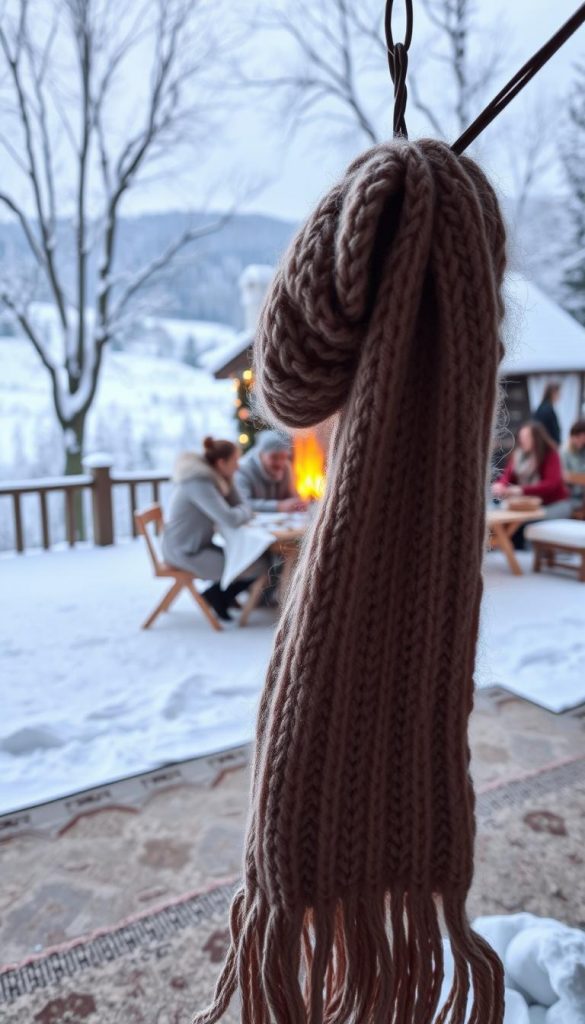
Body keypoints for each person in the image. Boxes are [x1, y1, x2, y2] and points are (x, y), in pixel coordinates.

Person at [162, 437, 268, 621]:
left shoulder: (216, 479)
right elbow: (230, 519)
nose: (238, 467)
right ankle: (217, 596)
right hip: (186, 552)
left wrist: (231, 482)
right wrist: (244, 511)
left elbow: (240, 506)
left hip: (197, 547)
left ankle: (220, 596)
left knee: (257, 558)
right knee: (258, 564)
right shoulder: (198, 483)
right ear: (221, 462)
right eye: (235, 461)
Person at [491, 421, 571, 549]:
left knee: (523, 520)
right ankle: (503, 544)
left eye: (526, 438)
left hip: (554, 504)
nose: (522, 441)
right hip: (529, 504)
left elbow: (551, 485)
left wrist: (520, 490)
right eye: (521, 437)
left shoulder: (551, 454)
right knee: (501, 511)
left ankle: (511, 546)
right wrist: (500, 486)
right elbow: (507, 476)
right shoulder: (519, 455)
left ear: (537, 438)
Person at [235, 430, 308, 513]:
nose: (279, 463)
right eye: (274, 457)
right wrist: (278, 506)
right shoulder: (243, 469)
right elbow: (242, 503)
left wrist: (298, 503)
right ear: (261, 454)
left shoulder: (286, 467)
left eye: (283, 457)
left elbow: (292, 495)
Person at [562, 419, 585, 511]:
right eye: (579, 438)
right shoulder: (565, 452)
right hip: (570, 496)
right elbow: (564, 476)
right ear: (572, 436)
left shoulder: (582, 450)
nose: (581, 442)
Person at [533, 382, 561, 446]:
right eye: (558, 393)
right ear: (553, 393)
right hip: (546, 447)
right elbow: (539, 429)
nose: (559, 396)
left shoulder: (546, 407)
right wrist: (552, 443)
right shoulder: (546, 409)